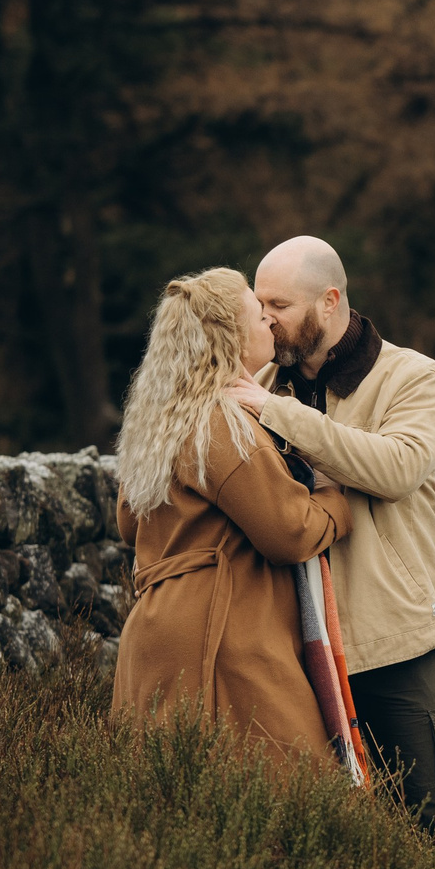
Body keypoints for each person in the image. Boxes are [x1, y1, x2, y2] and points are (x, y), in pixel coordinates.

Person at [226, 236, 435, 869]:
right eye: (258, 305)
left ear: (331, 300)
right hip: (295, 654)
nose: (265, 319)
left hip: (395, 645)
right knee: (321, 843)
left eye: (279, 304)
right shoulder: (261, 385)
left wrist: (278, 414)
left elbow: (397, 467)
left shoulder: (414, 377)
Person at [111, 268, 352, 761]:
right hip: (220, 635)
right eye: (257, 316)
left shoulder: (163, 418)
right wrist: (337, 500)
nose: (269, 323)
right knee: (296, 788)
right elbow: (288, 531)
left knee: (173, 803)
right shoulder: (220, 420)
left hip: (159, 630)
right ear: (233, 340)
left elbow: (128, 522)